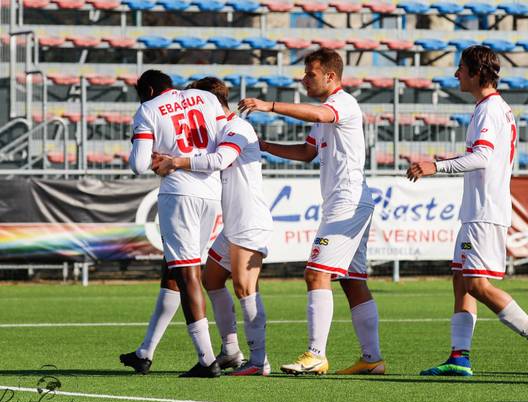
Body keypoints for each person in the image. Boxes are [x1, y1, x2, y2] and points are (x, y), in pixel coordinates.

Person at [407, 45, 528, 378]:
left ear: (477, 73)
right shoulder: (492, 108)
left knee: (476, 284)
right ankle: (459, 356)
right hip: (477, 208)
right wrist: (448, 159)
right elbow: (482, 156)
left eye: (461, 68)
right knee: (462, 279)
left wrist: (436, 166)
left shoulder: (490, 109)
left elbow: (483, 158)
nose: (456, 74)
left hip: (484, 210)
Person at [238, 48, 384, 376]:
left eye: (310, 74)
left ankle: (316, 353)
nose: (304, 79)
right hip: (347, 202)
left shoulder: (342, 104)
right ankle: (372, 358)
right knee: (352, 281)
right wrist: (264, 146)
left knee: (316, 273)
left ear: (330, 76)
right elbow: (307, 153)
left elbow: (320, 116)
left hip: (347, 203)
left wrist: (269, 106)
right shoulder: (327, 110)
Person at [152, 77, 274, 376]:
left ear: (210, 101)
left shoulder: (237, 128)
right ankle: (231, 350)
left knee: (245, 287)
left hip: (248, 219)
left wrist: (177, 162)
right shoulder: (215, 130)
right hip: (232, 222)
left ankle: (259, 361)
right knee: (211, 279)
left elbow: (221, 160)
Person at [121, 69, 227, 378]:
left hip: (179, 193)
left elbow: (139, 165)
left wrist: (151, 152)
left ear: (150, 90)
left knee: (187, 274)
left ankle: (207, 360)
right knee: (174, 272)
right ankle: (145, 352)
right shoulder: (206, 98)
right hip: (211, 192)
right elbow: (224, 138)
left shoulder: (148, 110)